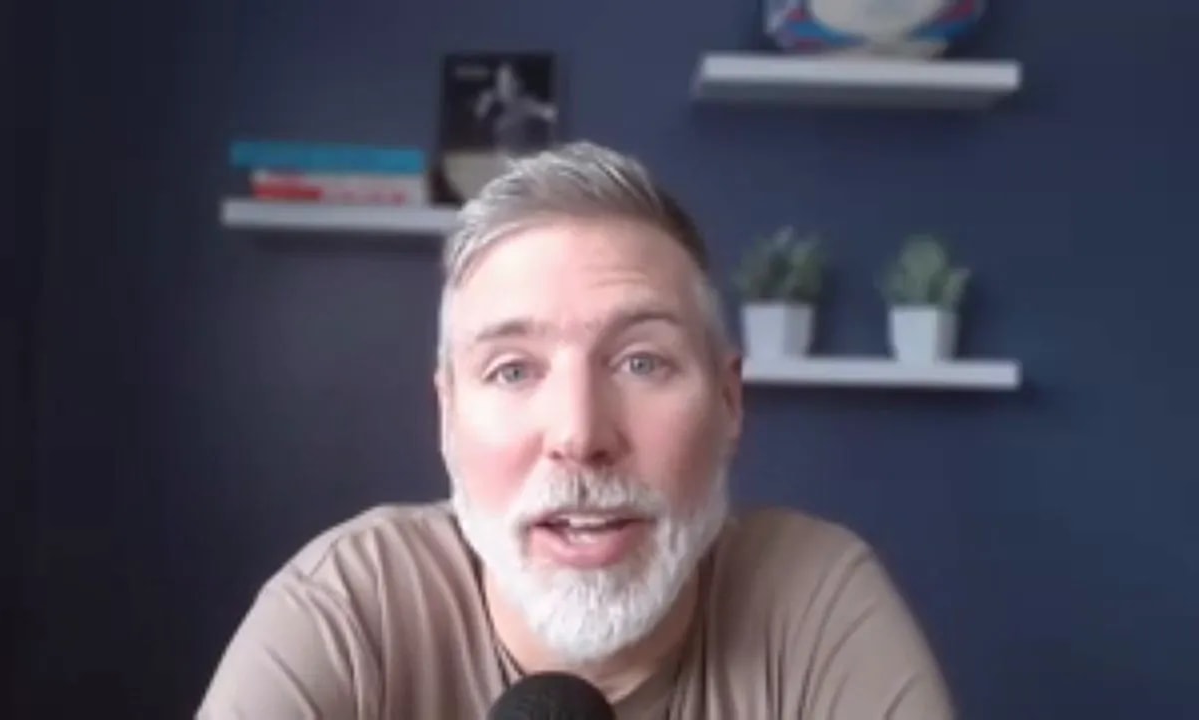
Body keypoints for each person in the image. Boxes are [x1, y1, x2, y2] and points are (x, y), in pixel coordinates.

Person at [196, 141, 956, 719]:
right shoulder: (348, 610)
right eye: (513, 371)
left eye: (641, 363)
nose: (580, 434)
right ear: (447, 417)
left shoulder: (816, 604)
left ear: (729, 402)